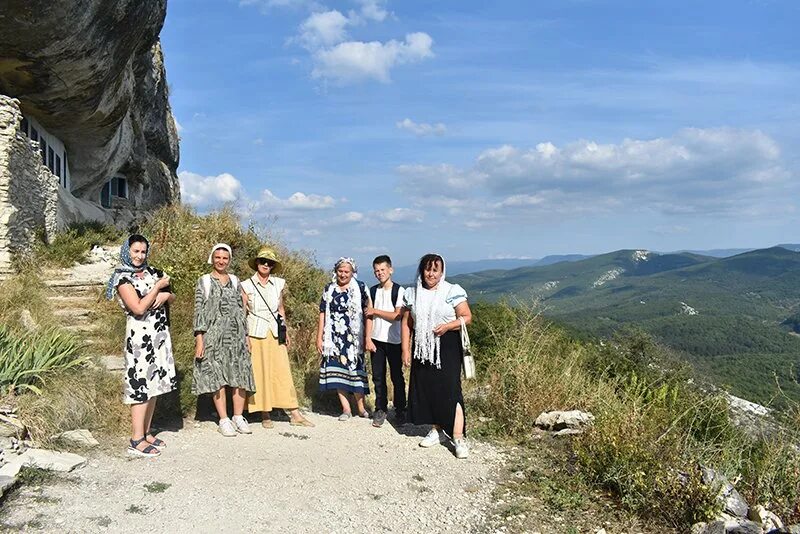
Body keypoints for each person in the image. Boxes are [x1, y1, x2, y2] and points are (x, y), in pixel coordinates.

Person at [106, 234, 177, 458]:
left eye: (143, 252)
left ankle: (146, 432)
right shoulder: (122, 278)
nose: (139, 256)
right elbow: (138, 307)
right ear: (127, 251)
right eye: (135, 251)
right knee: (141, 386)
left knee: (154, 384)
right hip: (140, 338)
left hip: (158, 334)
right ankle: (135, 439)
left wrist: (166, 295)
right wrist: (158, 288)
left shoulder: (152, 272)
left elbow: (171, 296)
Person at [401, 253, 472, 459]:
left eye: (435, 270)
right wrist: (405, 349)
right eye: (427, 269)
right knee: (429, 389)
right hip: (422, 347)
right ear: (422, 270)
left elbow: (467, 317)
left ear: (442, 272)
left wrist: (448, 326)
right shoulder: (412, 294)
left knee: (451, 390)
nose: (431, 274)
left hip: (447, 346)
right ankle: (437, 429)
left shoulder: (451, 291)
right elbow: (406, 323)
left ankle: (458, 437)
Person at [241, 247, 314, 428]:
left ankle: (294, 412)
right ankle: (265, 412)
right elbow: (242, 313)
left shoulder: (278, 284)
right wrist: (245, 337)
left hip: (274, 331)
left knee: (282, 371)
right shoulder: (246, 285)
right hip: (255, 331)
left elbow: (280, 309)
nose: (266, 265)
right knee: (260, 372)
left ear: (273, 266)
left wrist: (285, 331)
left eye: (270, 263)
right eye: (263, 261)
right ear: (256, 263)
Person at [192, 243, 256, 437]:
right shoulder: (204, 281)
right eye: (218, 257)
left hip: (236, 337)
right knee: (217, 376)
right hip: (213, 336)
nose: (221, 261)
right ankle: (223, 419)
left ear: (229, 260)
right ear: (212, 258)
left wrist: (246, 336)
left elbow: (241, 310)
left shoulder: (236, 281)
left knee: (239, 376)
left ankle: (238, 417)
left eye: (225, 258)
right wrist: (199, 339)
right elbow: (199, 311)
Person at [317, 257, 371, 420]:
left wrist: (368, 337)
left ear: (352, 272)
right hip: (333, 338)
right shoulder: (329, 288)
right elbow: (322, 313)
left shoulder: (361, 288)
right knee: (337, 372)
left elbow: (369, 313)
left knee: (355, 371)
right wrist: (319, 337)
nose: (343, 274)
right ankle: (346, 409)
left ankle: (361, 408)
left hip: (354, 338)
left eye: (346, 271)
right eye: (340, 271)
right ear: (336, 271)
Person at [365, 255, 406, 428]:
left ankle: (400, 410)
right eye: (376, 270)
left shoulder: (399, 290)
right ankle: (380, 409)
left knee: (397, 377)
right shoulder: (373, 291)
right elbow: (369, 316)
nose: (379, 273)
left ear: (391, 269)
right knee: (378, 377)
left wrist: (375, 310)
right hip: (376, 339)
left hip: (394, 340)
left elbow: (398, 316)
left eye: (382, 269)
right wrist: (367, 338)